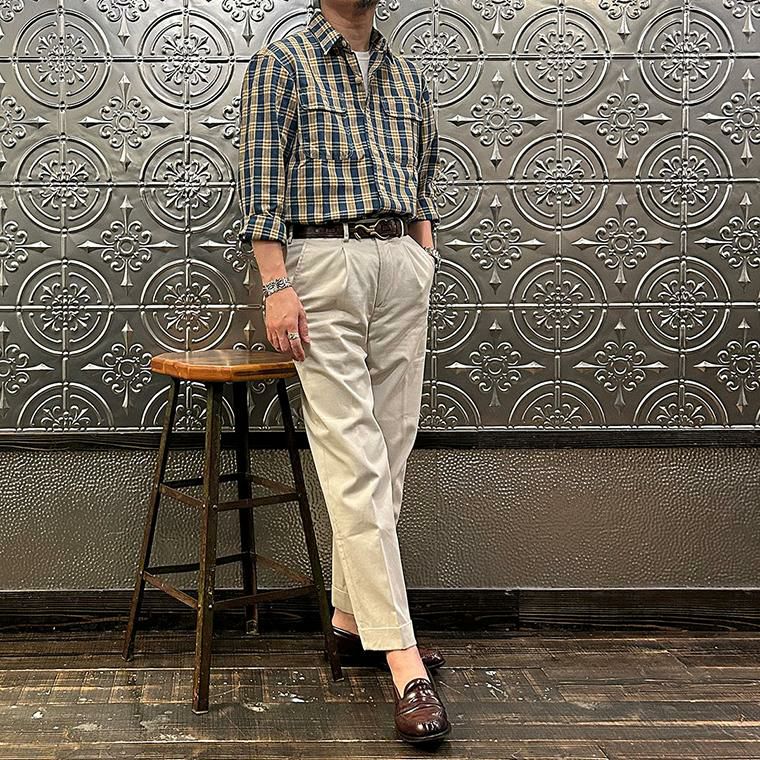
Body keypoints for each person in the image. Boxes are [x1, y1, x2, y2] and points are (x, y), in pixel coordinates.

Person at [237, 0, 450, 745]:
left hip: (400, 262)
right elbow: (260, 182)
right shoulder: (283, 62)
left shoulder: (409, 73)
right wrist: (275, 284)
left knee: (391, 446)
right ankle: (403, 661)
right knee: (353, 457)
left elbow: (423, 174)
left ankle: (352, 617)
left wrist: (421, 251)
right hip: (322, 263)